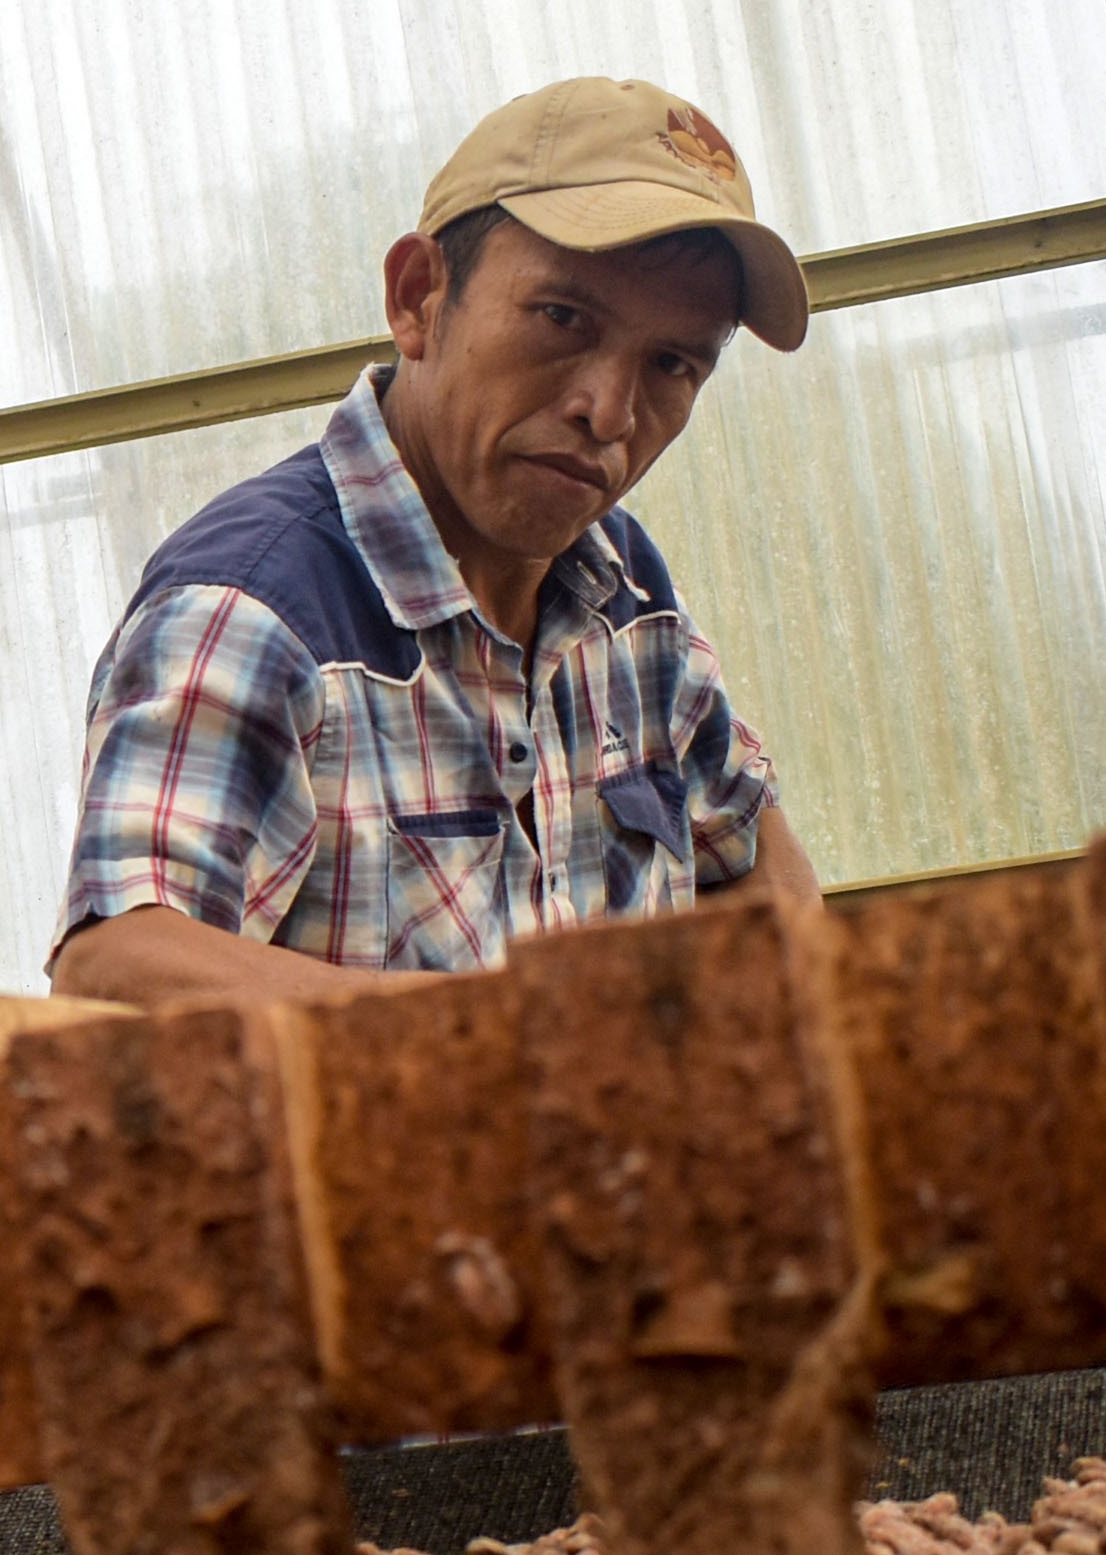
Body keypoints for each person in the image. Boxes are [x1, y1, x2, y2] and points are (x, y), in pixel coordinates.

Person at [50, 77, 820, 1008]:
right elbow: (115, 970)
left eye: (671, 364)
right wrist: (501, 1058)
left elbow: (760, 860)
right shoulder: (256, 612)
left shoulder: (624, 594)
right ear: (417, 297)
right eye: (562, 318)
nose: (608, 412)